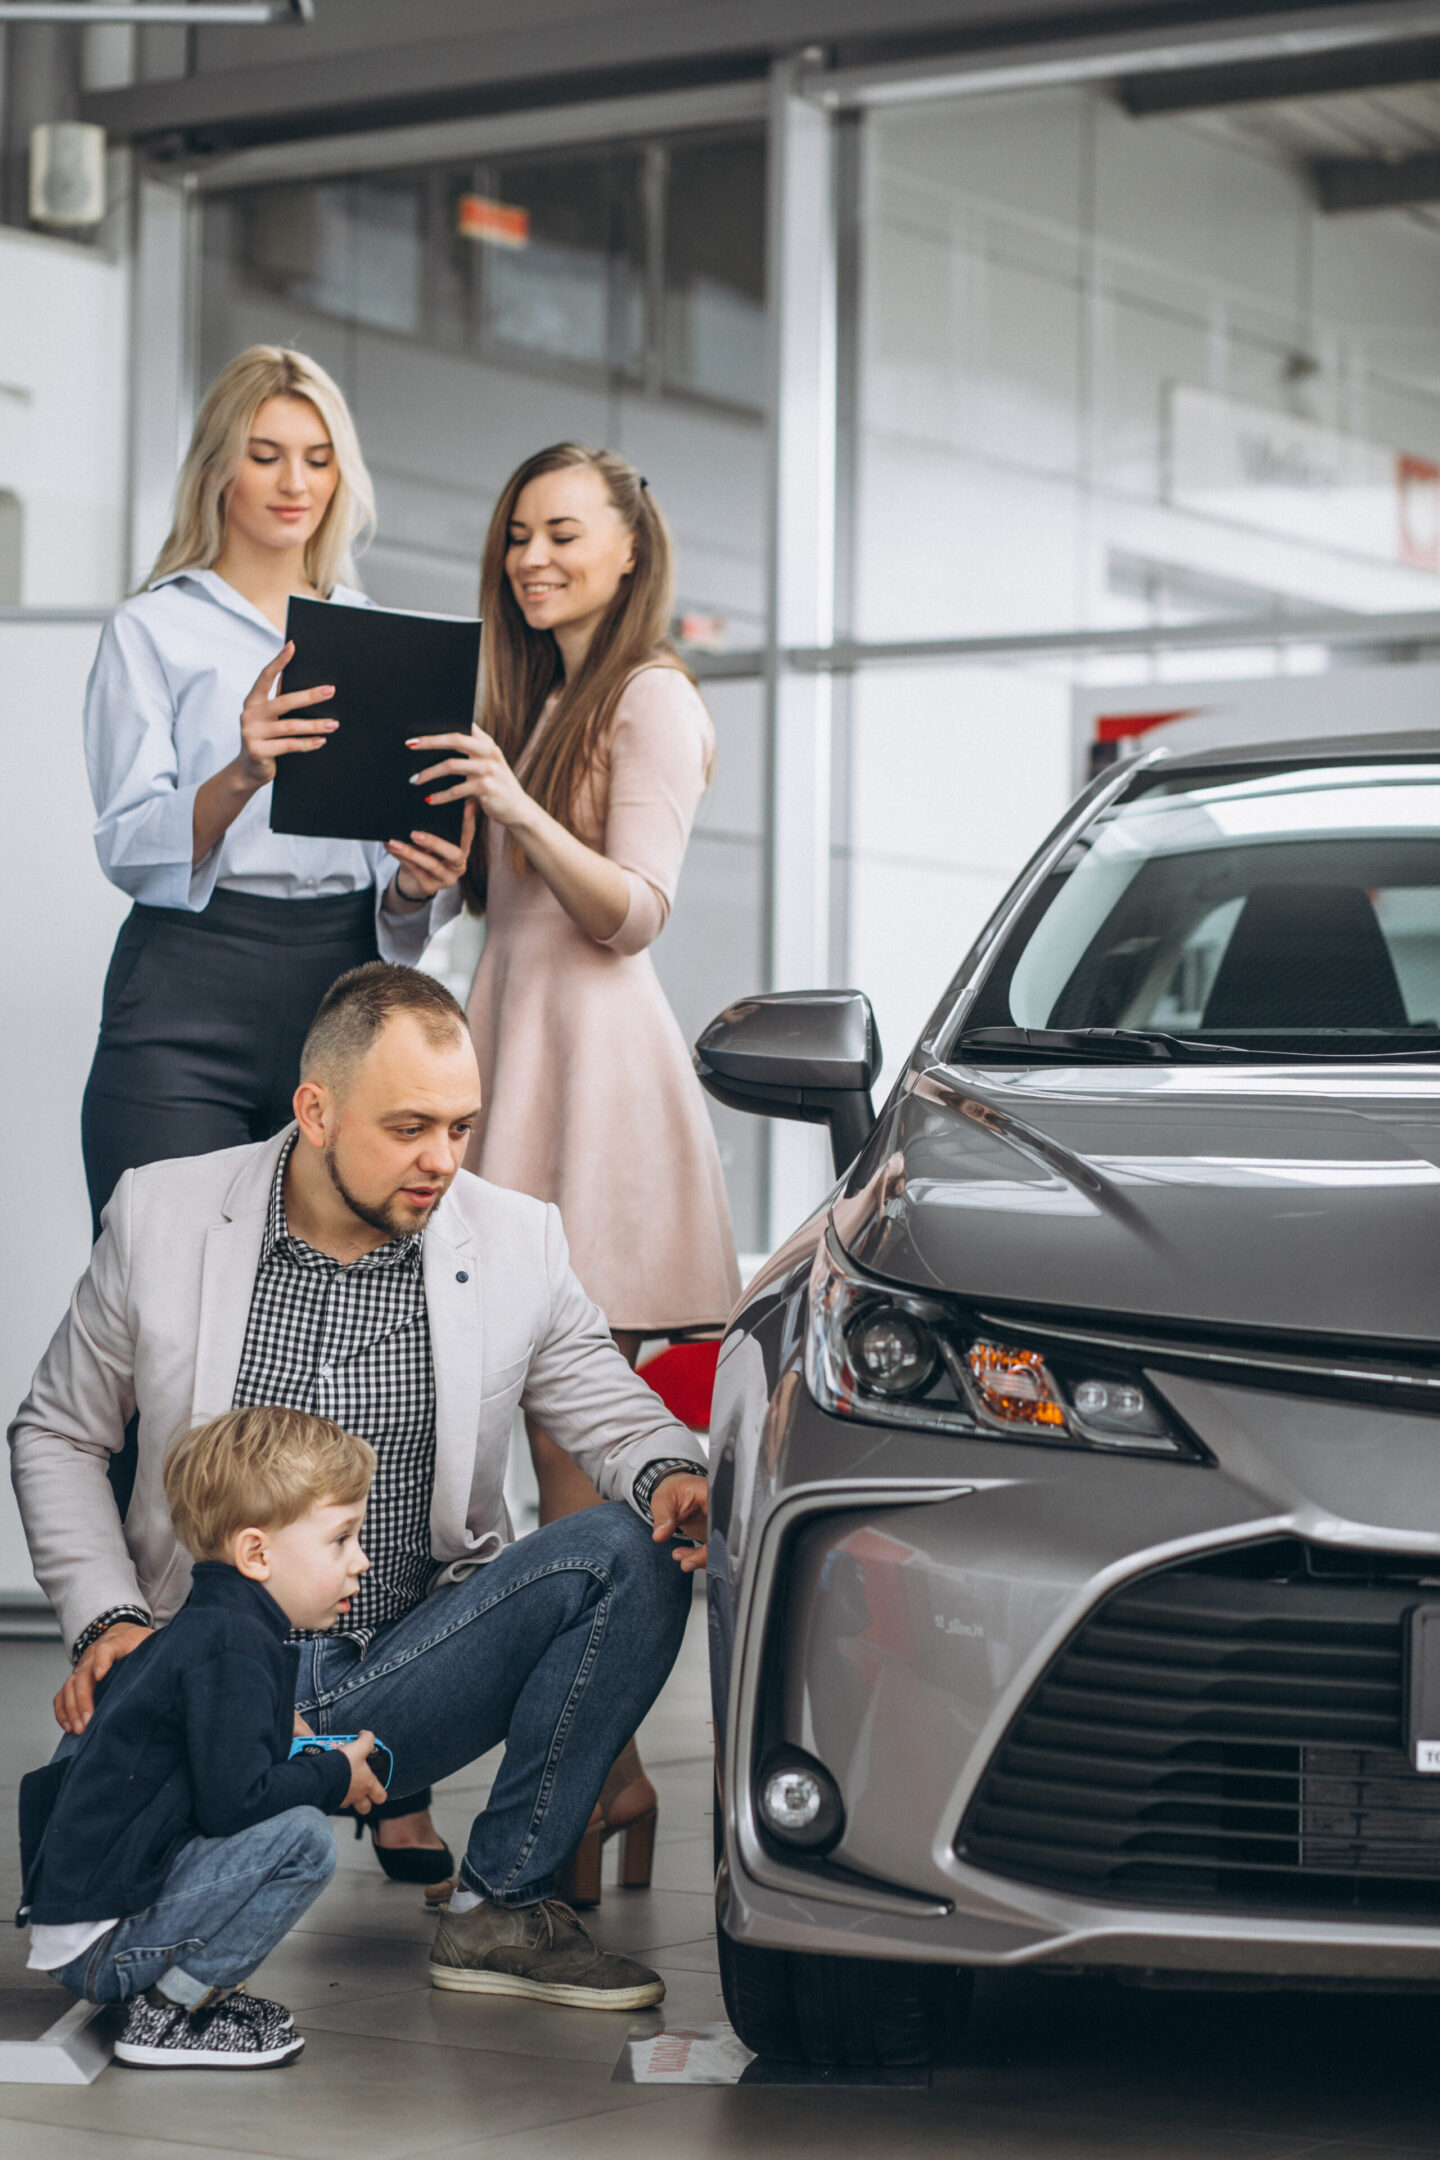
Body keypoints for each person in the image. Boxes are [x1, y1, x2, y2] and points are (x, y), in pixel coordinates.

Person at [11, 962, 709, 2009]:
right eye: (409, 1128)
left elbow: (615, 1414)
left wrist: (671, 1474)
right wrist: (106, 1621)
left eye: (461, 1129)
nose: (441, 1162)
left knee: (635, 1545)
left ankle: (501, 1908)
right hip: (199, 1674)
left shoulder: (515, 1242)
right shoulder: (163, 1215)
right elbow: (58, 1431)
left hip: (399, 1668)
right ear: (317, 1111)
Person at [404, 444, 740, 1892]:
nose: (533, 558)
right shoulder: (527, 704)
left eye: (563, 534)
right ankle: (603, 1780)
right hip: (512, 1053)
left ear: (626, 548)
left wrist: (523, 812)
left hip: (596, 1078)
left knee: (582, 1463)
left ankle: (599, 1780)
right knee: (548, 1463)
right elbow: (512, 910)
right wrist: (440, 869)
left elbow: (634, 912)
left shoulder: (652, 695)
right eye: (517, 535)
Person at [80, 344, 473, 1241]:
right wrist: (242, 771)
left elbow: (399, 879)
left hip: (346, 981)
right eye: (266, 454)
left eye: (319, 457)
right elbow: (128, 846)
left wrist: (420, 884)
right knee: (162, 1282)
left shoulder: (380, 636)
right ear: (218, 468)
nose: (295, 481)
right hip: (189, 977)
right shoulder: (153, 629)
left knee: (326, 1288)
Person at [19, 1406, 388, 2070]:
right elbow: (236, 1803)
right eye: (341, 1539)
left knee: (292, 1818)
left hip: (97, 1911)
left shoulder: (215, 1627)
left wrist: (317, 1758)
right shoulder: (231, 1647)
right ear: (256, 1552)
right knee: (303, 1838)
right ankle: (169, 2013)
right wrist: (336, 1777)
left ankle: (177, 1997)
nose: (360, 1561)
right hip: (102, 1940)